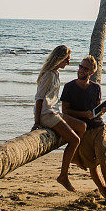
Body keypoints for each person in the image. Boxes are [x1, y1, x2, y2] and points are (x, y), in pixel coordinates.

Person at [61, 55, 106, 203]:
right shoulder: (69, 87)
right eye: (80, 66)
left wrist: (101, 111)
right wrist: (83, 114)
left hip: (98, 127)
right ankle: (105, 193)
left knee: (103, 159)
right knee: (92, 165)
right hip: (83, 131)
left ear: (91, 72)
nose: (81, 70)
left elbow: (96, 106)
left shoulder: (96, 87)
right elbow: (65, 111)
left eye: (85, 68)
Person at [32, 45, 86, 192]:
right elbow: (39, 99)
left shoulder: (55, 74)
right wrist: (37, 122)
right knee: (75, 139)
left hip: (54, 112)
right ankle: (63, 176)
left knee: (82, 126)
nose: (68, 63)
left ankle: (73, 155)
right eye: (67, 59)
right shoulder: (49, 75)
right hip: (47, 115)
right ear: (60, 58)